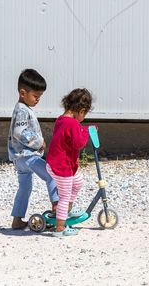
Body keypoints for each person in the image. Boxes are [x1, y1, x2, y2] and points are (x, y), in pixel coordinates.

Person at [8, 69, 59, 230]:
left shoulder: (22, 108)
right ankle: (58, 211)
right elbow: (19, 132)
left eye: (40, 97)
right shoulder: (23, 110)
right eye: (36, 96)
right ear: (23, 93)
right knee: (51, 174)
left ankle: (17, 219)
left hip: (19, 158)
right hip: (27, 156)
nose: (38, 100)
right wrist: (39, 142)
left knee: (25, 187)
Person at [46, 88, 93, 237]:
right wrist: (85, 131)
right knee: (64, 197)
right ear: (81, 111)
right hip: (62, 167)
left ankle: (68, 209)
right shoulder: (72, 124)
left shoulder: (61, 119)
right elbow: (78, 143)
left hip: (59, 163)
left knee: (78, 181)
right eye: (85, 114)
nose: (84, 117)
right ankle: (60, 228)